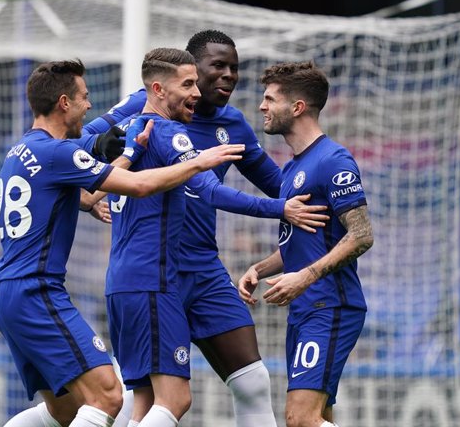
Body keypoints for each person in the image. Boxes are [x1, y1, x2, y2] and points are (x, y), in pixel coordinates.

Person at [94, 30, 330, 427]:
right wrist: (107, 170)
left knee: (252, 380)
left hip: (202, 270)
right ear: (188, 71)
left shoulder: (232, 124)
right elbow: (84, 144)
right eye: (217, 66)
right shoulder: (145, 109)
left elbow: (278, 185)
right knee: (149, 400)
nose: (229, 76)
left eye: (234, 68)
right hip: (152, 269)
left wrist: (323, 191)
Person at [0, 59, 245, 427]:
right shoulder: (58, 152)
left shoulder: (19, 152)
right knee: (108, 395)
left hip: (7, 293)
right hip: (38, 292)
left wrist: (128, 155)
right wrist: (198, 163)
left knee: (62, 411)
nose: (89, 106)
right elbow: (141, 187)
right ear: (64, 102)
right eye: (84, 97)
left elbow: (83, 197)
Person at [237, 61, 374, 427]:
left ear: (297, 108)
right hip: (306, 307)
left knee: (300, 419)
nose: (262, 106)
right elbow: (302, 244)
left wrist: (306, 277)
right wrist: (259, 268)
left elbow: (361, 235)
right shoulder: (290, 170)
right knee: (317, 418)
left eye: (270, 99)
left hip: (330, 305)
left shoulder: (333, 160)